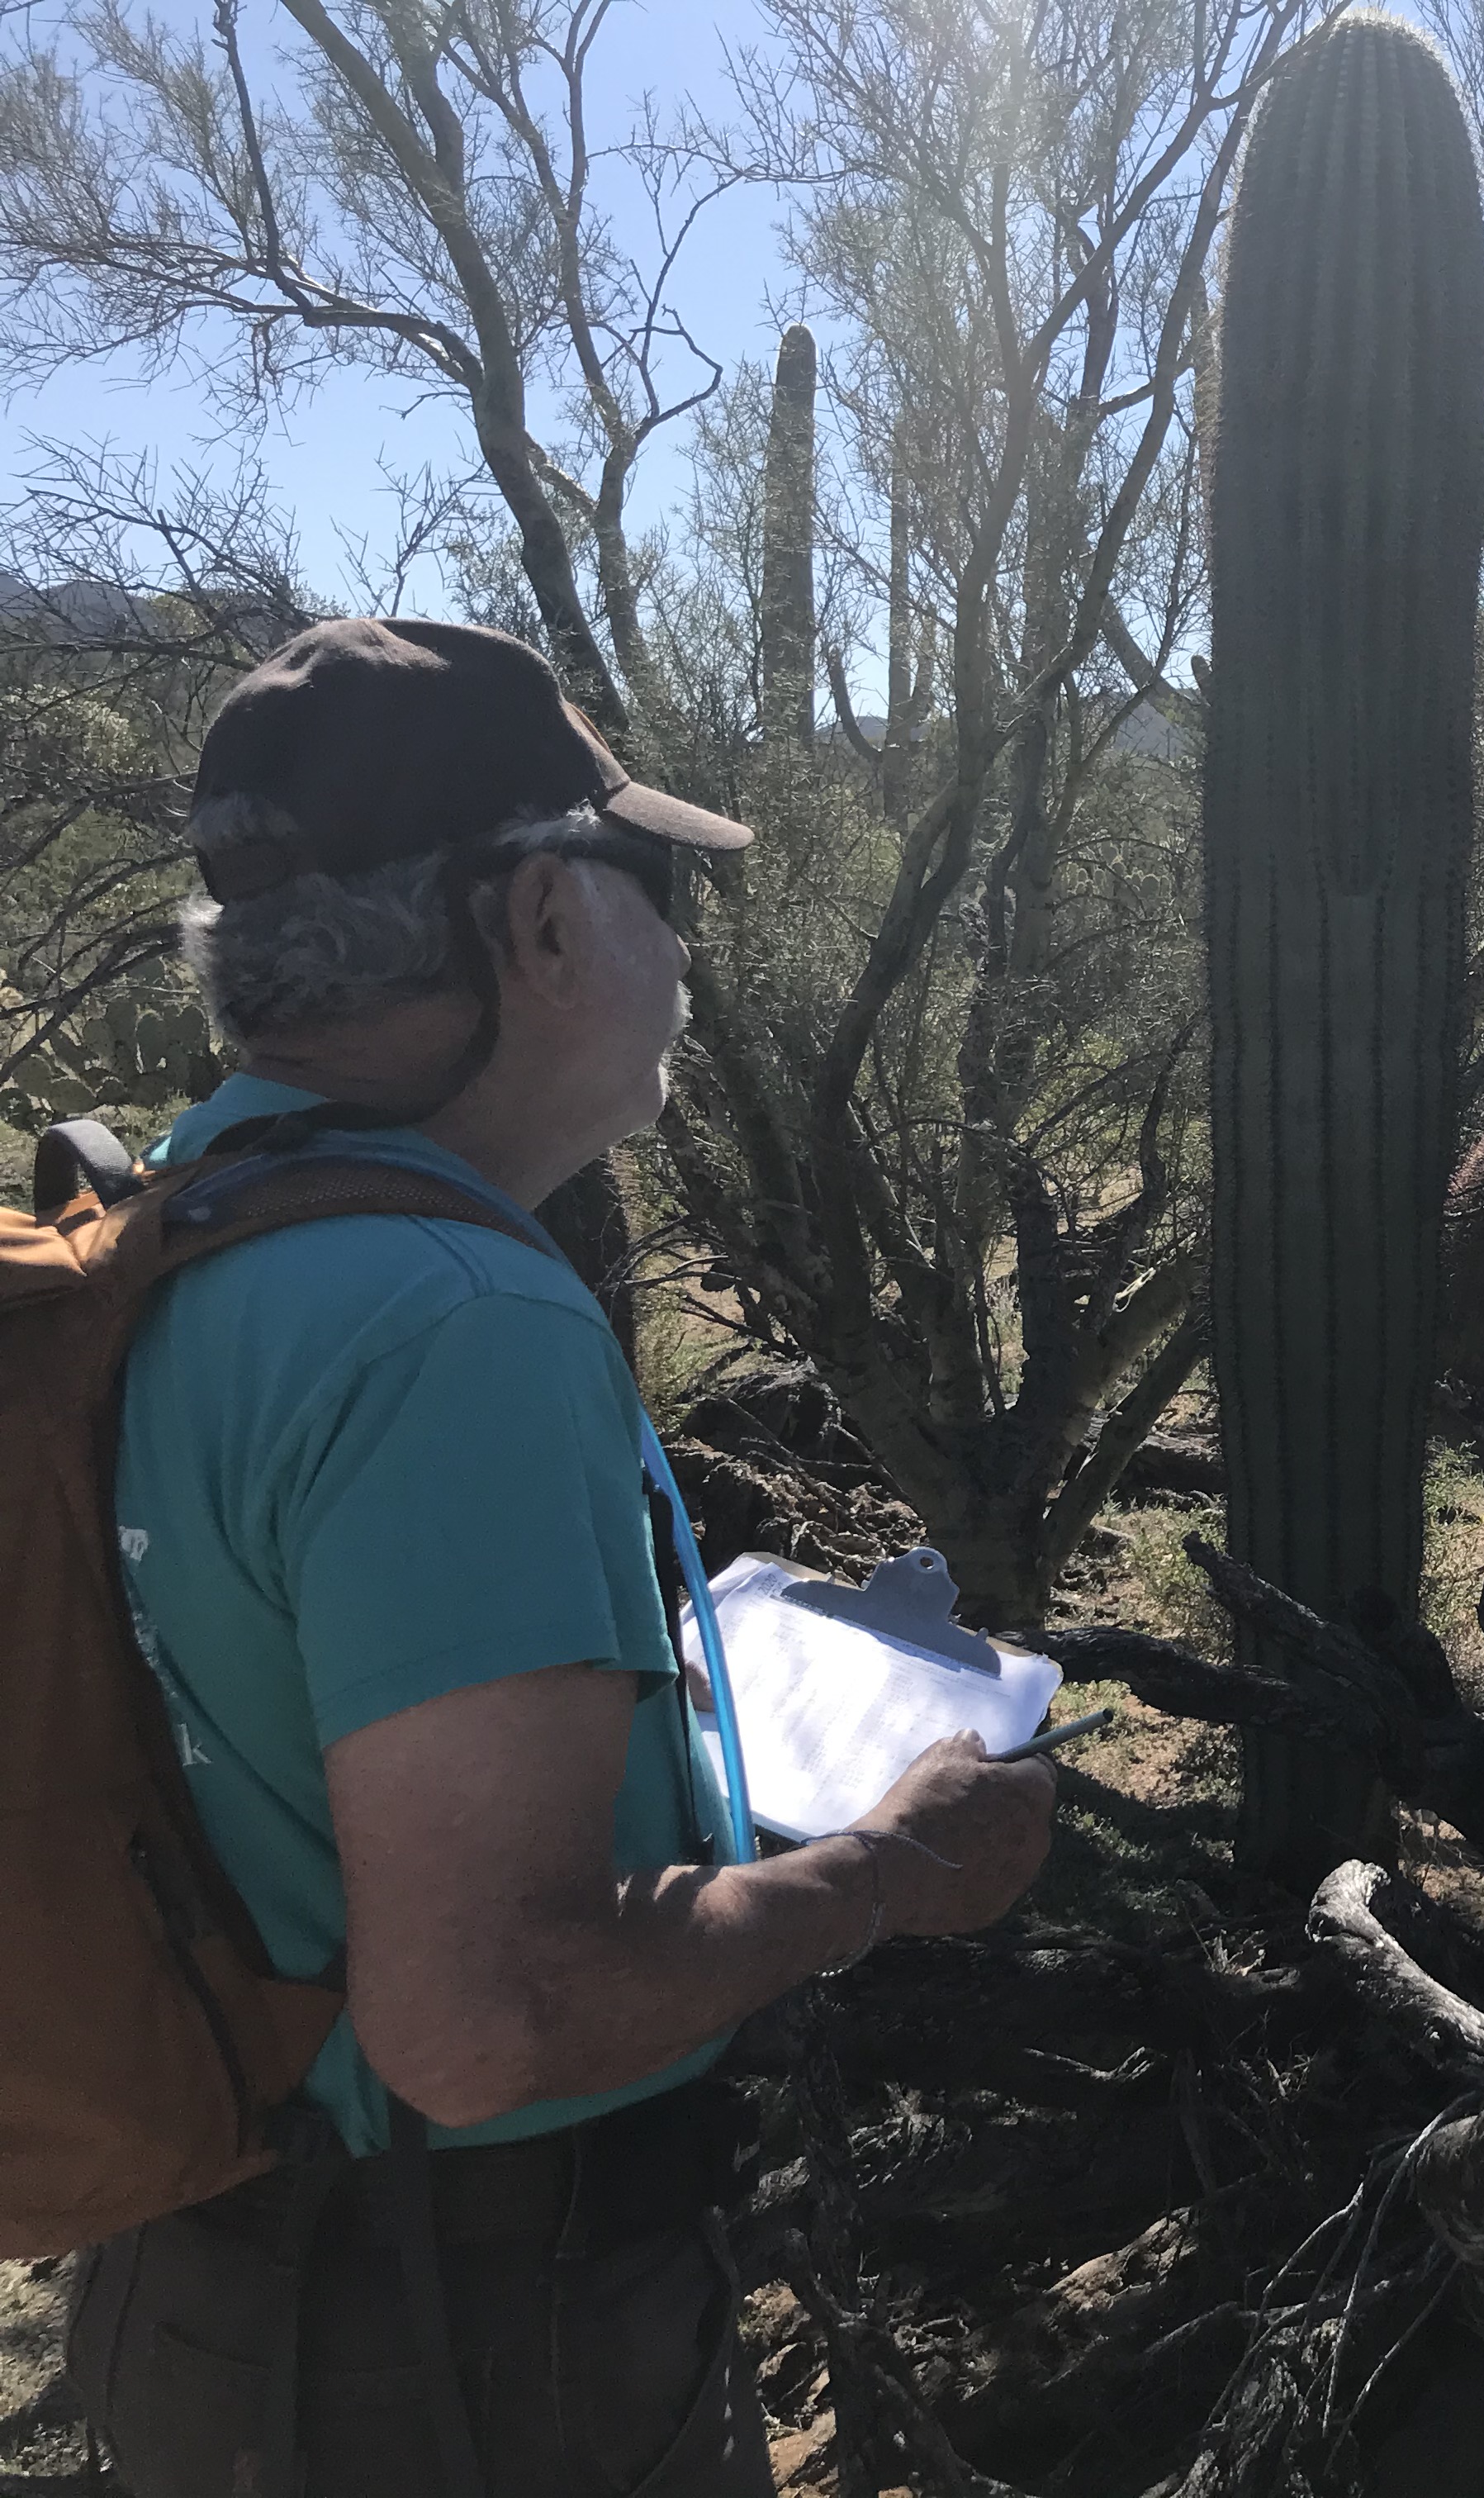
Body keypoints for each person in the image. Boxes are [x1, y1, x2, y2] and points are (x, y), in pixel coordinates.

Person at [63, 617, 1059, 2494]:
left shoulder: (159, 1237)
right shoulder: (451, 1322)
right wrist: (890, 1872)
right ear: (537, 923)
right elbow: (476, 2019)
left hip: (195, 2291)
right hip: (457, 2362)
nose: (680, 948)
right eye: (654, 885)